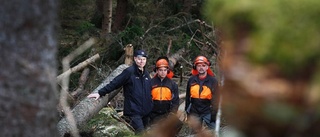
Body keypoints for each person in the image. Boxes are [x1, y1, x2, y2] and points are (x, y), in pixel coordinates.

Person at [87, 49, 153, 134]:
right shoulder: (129, 72)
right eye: (139, 59)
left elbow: (149, 90)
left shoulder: (146, 74)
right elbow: (115, 83)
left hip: (146, 112)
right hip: (134, 112)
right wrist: (100, 92)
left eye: (144, 59)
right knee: (141, 133)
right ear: (135, 59)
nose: (142, 61)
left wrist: (151, 105)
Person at [185, 55, 219, 131]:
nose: (201, 68)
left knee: (215, 131)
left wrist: (214, 114)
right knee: (194, 133)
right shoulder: (191, 80)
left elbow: (216, 99)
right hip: (195, 111)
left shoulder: (213, 81)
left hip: (207, 111)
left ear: (207, 67)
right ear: (196, 67)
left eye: (203, 65)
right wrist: (188, 112)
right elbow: (188, 97)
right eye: (199, 65)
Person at [149, 56, 179, 125]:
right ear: (157, 70)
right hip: (153, 115)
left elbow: (175, 101)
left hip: (167, 114)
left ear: (167, 71)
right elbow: (146, 99)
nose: (163, 72)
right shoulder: (151, 83)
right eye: (161, 70)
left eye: (165, 70)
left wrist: (172, 113)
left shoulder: (172, 84)